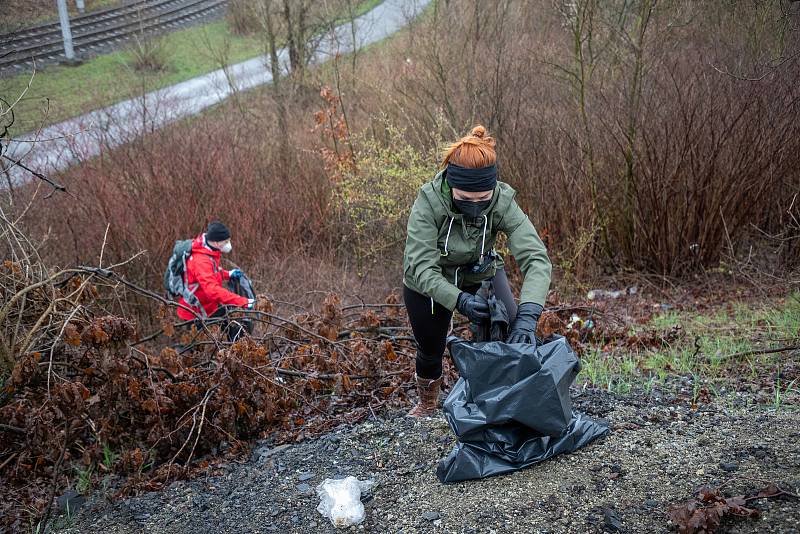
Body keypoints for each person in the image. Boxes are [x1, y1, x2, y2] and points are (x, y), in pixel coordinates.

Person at [403, 125, 552, 417]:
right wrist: (460, 301)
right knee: (431, 345)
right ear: (451, 184)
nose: (475, 207)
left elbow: (536, 259)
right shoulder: (428, 202)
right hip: (430, 280)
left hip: (480, 270)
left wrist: (529, 316)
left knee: (514, 328)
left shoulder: (502, 201)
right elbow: (421, 267)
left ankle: (509, 401)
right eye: (466, 200)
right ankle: (427, 403)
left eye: (482, 199)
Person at [177, 221, 254, 340]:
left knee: (229, 324)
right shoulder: (201, 260)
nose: (228, 244)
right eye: (226, 241)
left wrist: (228, 274)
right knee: (194, 348)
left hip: (208, 305)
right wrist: (242, 301)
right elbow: (212, 290)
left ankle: (231, 349)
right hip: (194, 312)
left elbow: (210, 272)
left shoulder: (208, 250)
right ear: (217, 242)